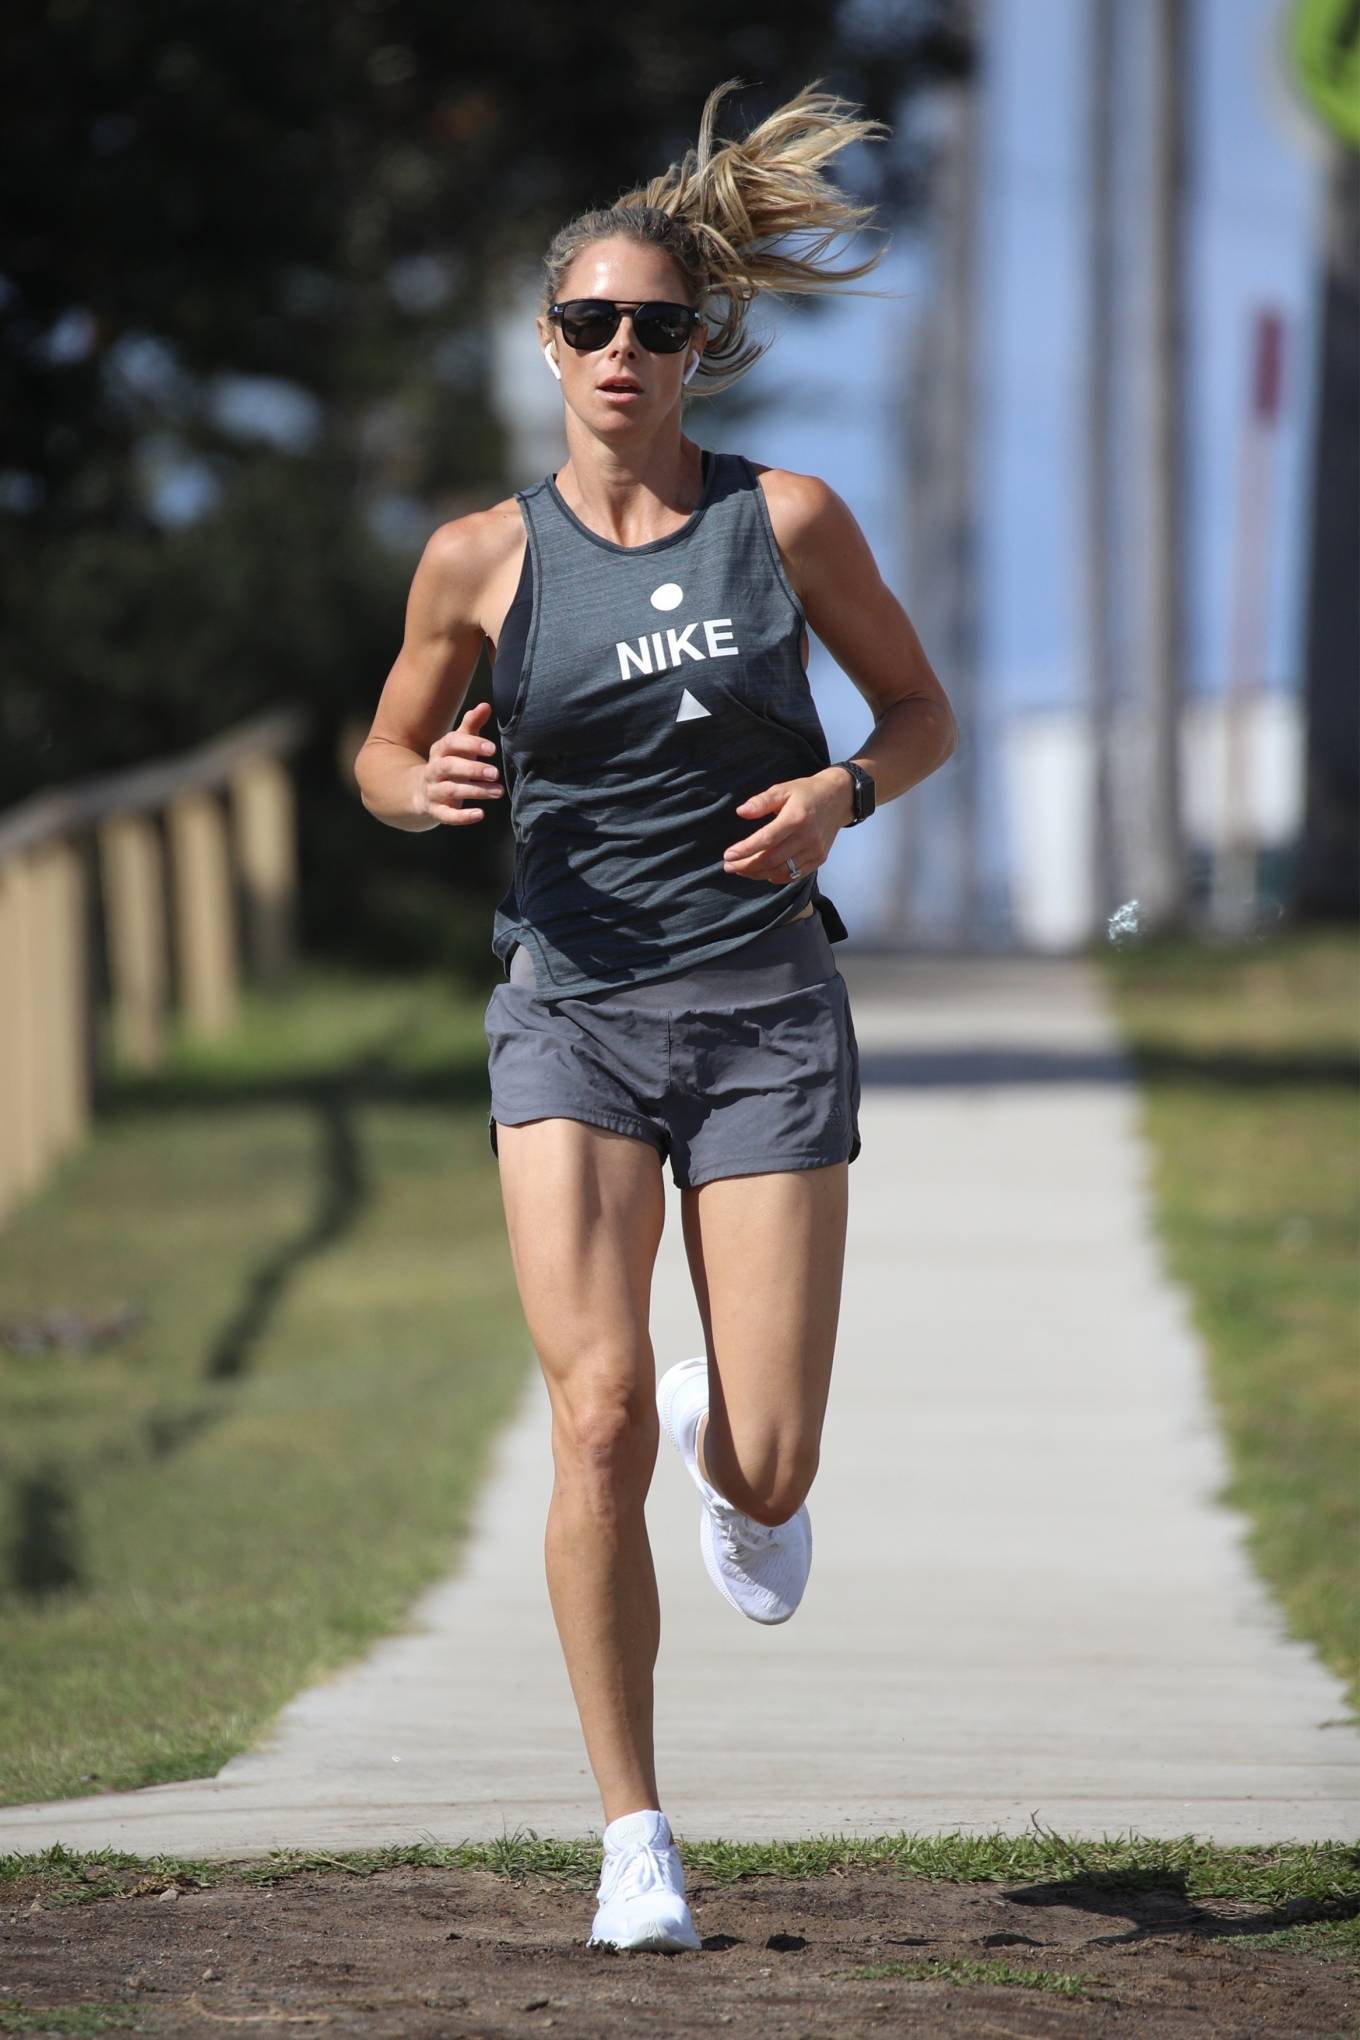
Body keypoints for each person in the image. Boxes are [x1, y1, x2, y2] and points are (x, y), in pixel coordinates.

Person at [355, 78, 958, 1954]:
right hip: (574, 1016)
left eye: (661, 325)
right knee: (591, 1413)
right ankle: (634, 1839)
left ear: (705, 346)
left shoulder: (789, 520)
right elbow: (379, 747)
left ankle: (734, 1445)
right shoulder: (482, 557)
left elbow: (923, 719)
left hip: (768, 1013)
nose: (626, 351)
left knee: (760, 1469)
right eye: (593, 324)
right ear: (549, 345)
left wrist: (840, 797)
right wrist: (423, 786)